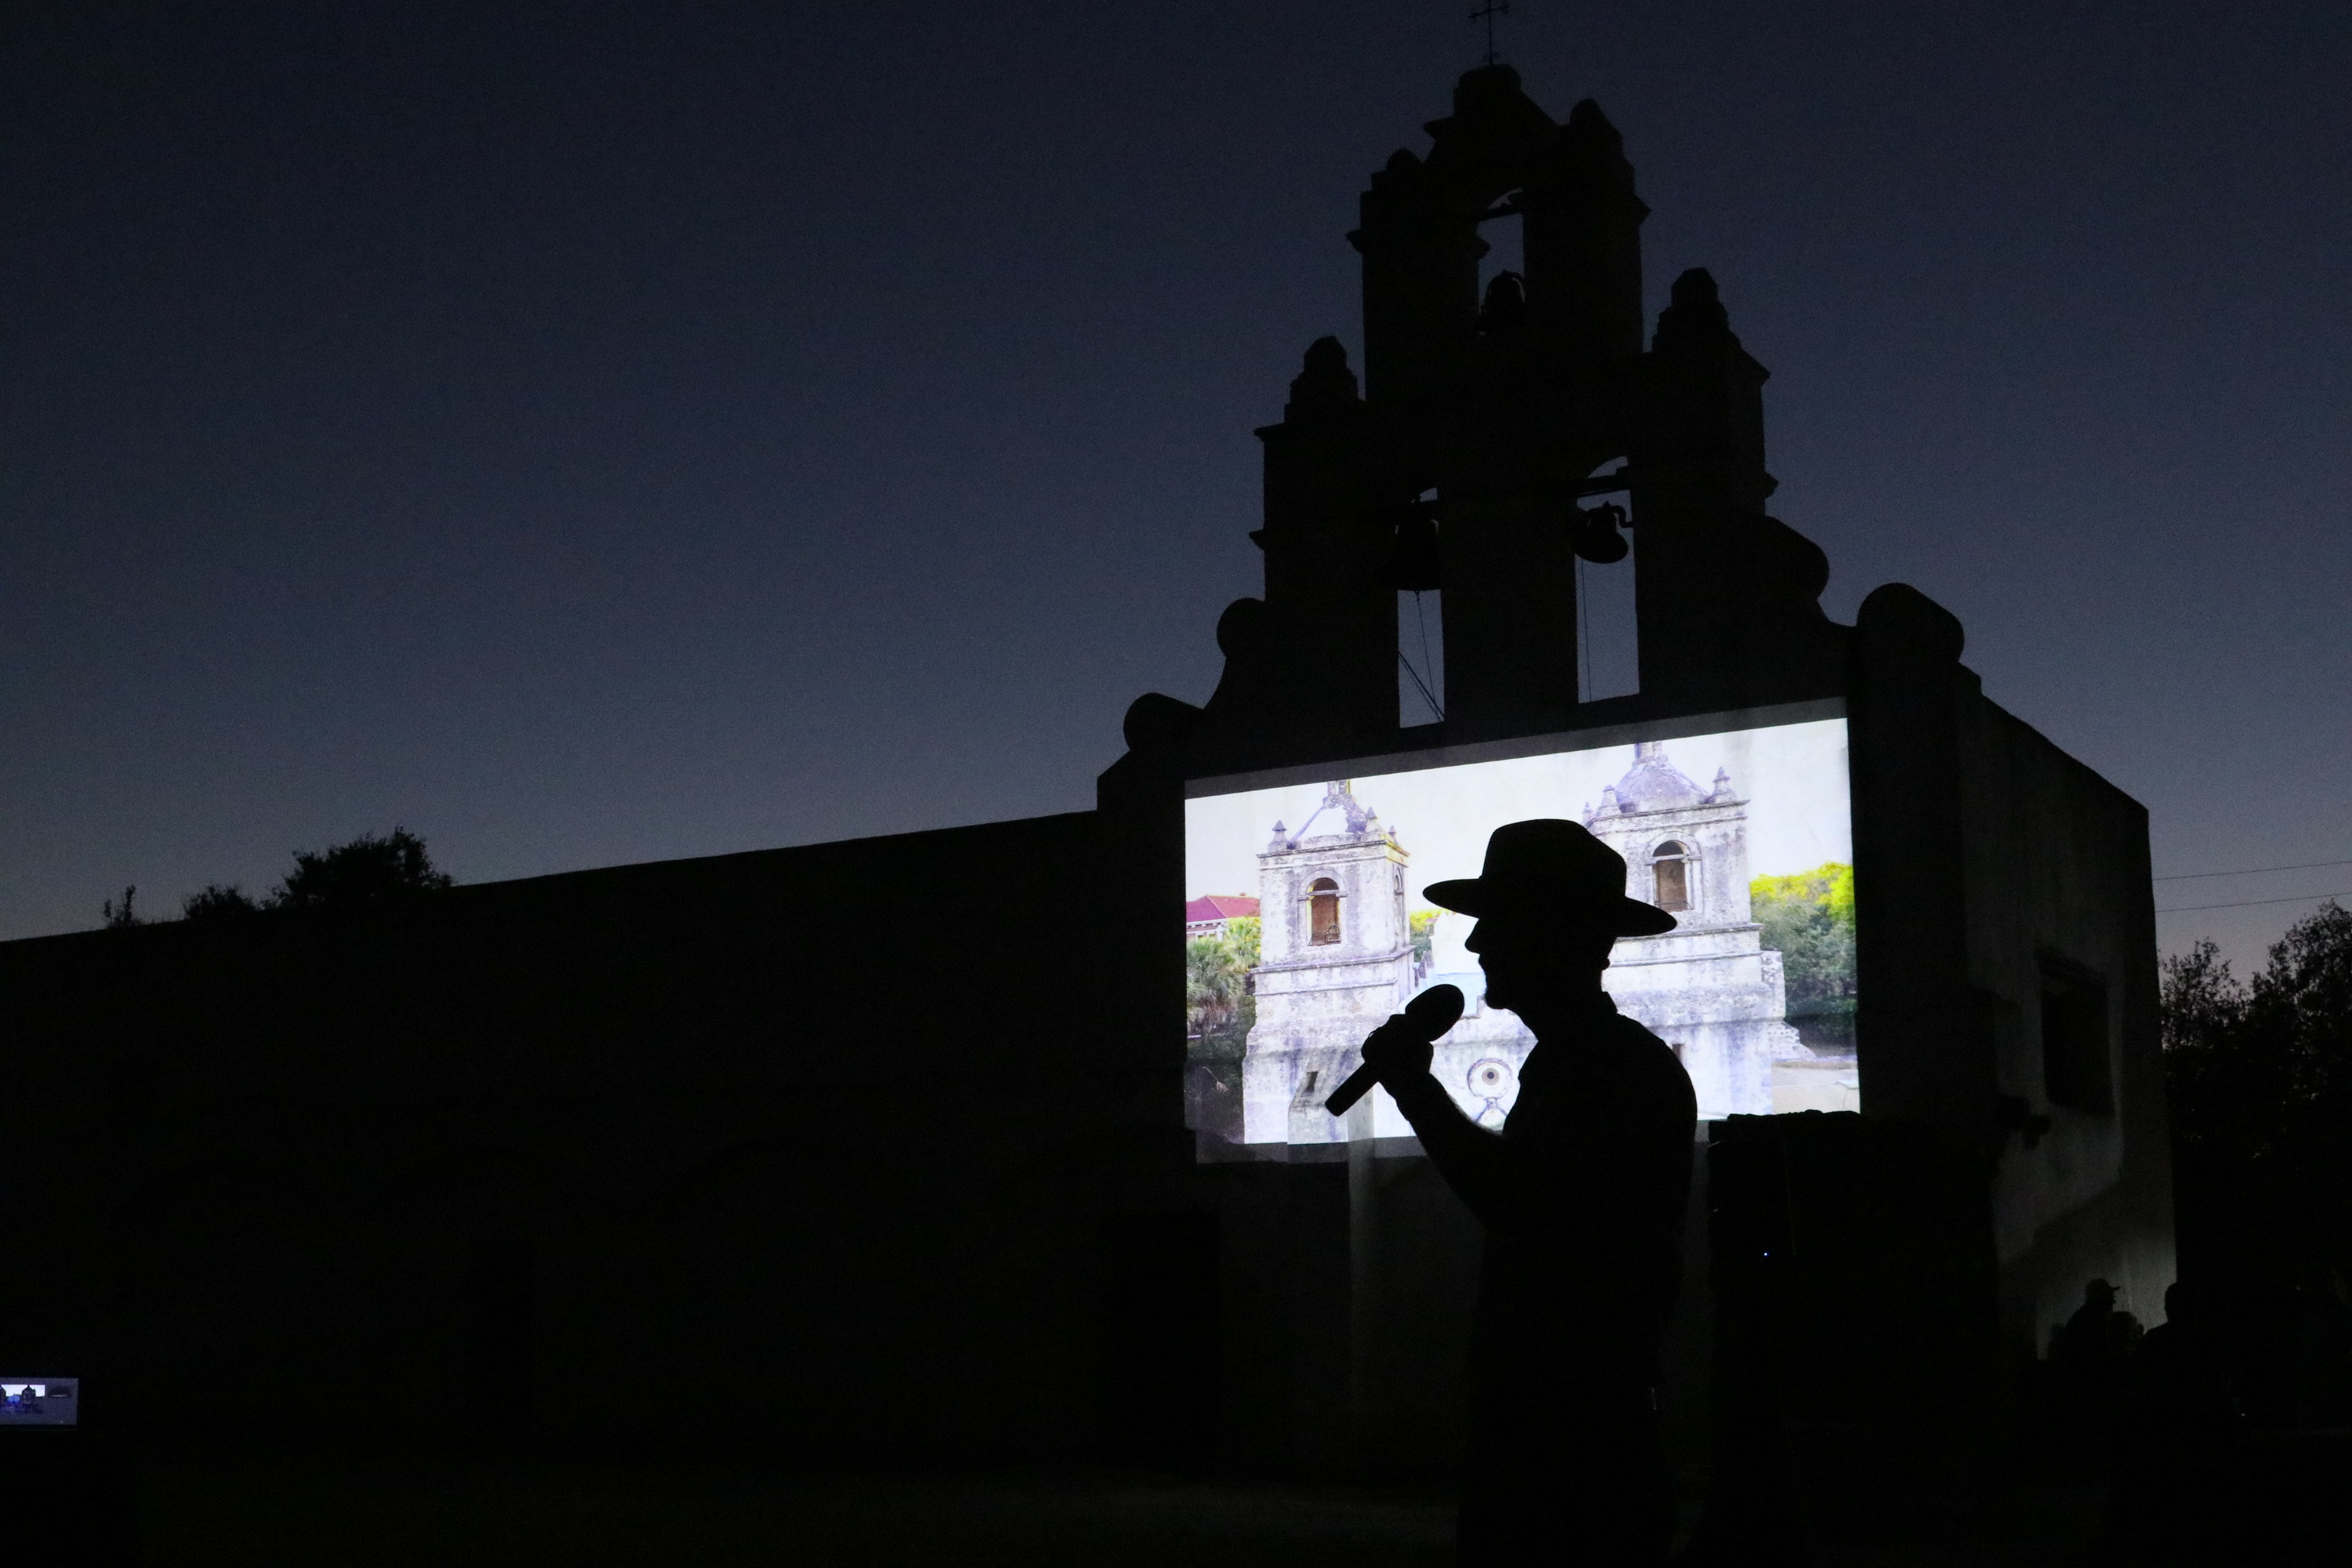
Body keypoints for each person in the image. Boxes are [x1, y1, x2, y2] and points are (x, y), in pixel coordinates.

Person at [1360, 818, 1697, 1566]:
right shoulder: (1581, 1061)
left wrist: (1413, 1087)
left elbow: (1523, 1204)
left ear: (1558, 933)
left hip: (1574, 1428)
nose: (1477, 945)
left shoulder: (1611, 1068)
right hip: (1553, 1414)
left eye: (1498, 923)